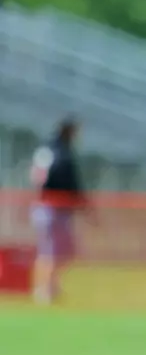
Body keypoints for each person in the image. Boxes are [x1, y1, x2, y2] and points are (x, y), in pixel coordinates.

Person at [29, 116, 87, 304]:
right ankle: (44, 291)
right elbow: (49, 178)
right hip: (52, 207)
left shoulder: (51, 151)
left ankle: (49, 287)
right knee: (50, 251)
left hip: (52, 207)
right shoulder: (56, 152)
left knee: (56, 251)